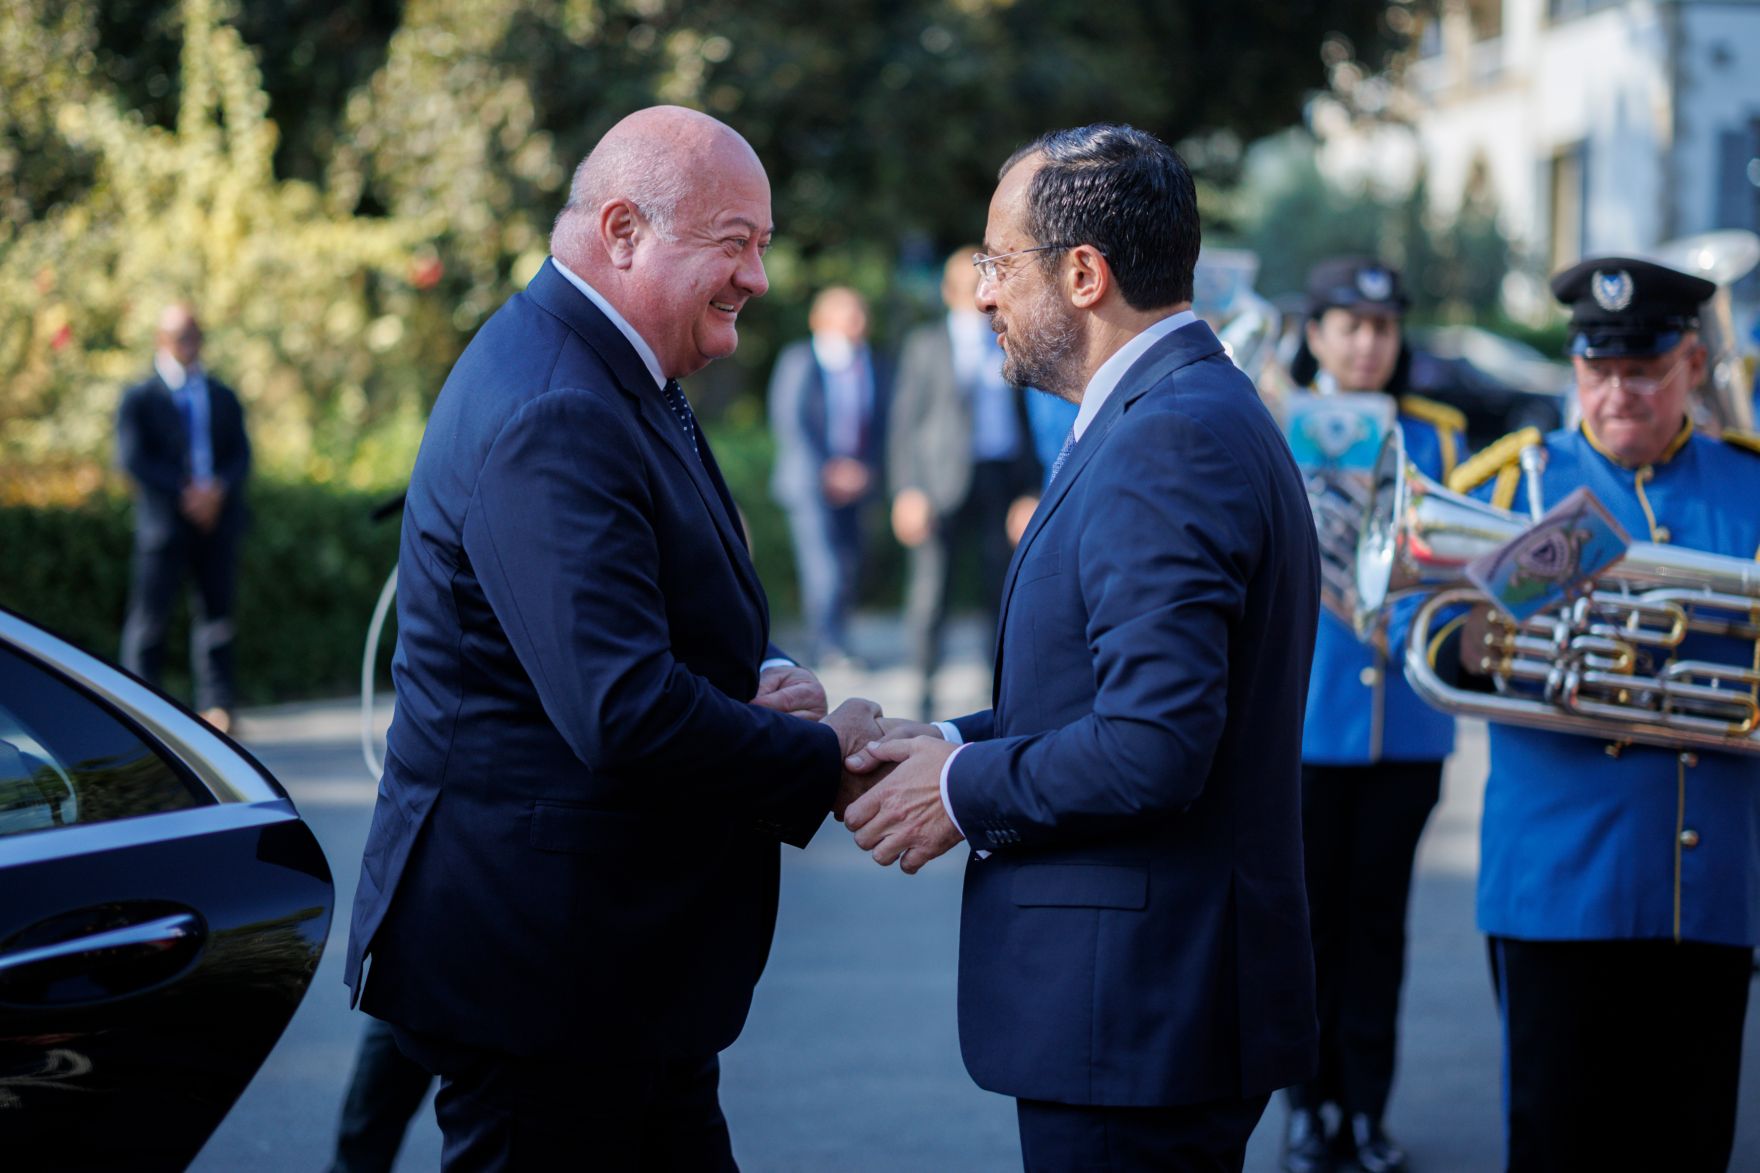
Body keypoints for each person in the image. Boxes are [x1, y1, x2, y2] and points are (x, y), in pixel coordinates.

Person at [343, 106, 886, 1170]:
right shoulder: (559, 401)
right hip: (547, 987)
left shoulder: (609, 368)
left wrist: (753, 682)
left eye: (762, 248)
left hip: (608, 987)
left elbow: (633, 621)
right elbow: (622, 710)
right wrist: (822, 758)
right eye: (735, 244)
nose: (758, 280)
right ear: (625, 230)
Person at [845, 123, 1321, 1172]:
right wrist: (940, 738)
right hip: (1151, 1008)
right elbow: (1110, 690)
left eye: (995, 264)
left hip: (1139, 1010)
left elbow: (1155, 742)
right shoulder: (1176, 410)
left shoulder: (1167, 437)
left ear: (1082, 273)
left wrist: (961, 785)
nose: (981, 295)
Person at [1444, 256, 1760, 1172]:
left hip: (1703, 886)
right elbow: (1429, 644)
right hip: (1558, 886)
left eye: (1644, 371)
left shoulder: (1750, 486)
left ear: (1692, 368)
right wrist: (1488, 619)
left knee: (1689, 1141)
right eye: (1599, 370)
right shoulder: (1519, 487)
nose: (1617, 392)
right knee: (1558, 1143)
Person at [1281, 258, 1466, 1173]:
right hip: (1305, 723)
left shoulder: (1438, 437)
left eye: (1381, 327)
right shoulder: (1275, 424)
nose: (1365, 343)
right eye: (1347, 325)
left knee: (1379, 924)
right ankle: (1307, 1107)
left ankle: (1366, 1111)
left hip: (1406, 724)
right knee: (1307, 925)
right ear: (1314, 334)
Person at [888, 247, 1042, 718]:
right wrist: (907, 490)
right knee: (932, 591)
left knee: (1003, 589)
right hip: (940, 481)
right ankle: (924, 690)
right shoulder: (926, 344)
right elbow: (904, 423)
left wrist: (1030, 488)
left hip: (999, 474)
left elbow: (1026, 419)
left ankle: (1000, 694)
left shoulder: (1009, 338)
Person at [116, 302, 250, 734]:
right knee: (149, 623)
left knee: (216, 620)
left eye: (195, 335)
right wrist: (186, 492)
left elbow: (240, 454)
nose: (189, 345)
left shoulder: (222, 395)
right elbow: (133, 459)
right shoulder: (139, 397)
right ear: (162, 340)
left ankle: (218, 708)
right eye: (180, 336)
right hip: (163, 527)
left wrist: (217, 493)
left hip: (215, 523)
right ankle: (138, 713)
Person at [767, 286, 885, 666]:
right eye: (848, 314)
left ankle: (838, 639)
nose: (858, 322)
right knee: (823, 567)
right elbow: (791, 422)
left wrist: (864, 469)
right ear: (823, 320)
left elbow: (882, 422)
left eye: (860, 313)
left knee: (850, 563)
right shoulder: (800, 360)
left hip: (857, 481)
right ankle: (827, 645)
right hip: (810, 483)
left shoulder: (872, 362)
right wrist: (828, 470)